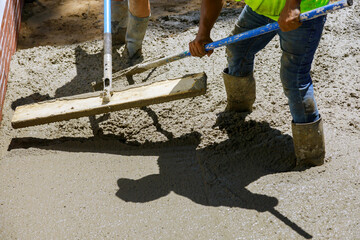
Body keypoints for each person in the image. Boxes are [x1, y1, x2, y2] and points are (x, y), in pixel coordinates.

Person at [189, 0, 328, 166]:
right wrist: (203, 33)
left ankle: (310, 153)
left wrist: (292, 6)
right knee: (237, 49)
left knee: (294, 77)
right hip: (262, 7)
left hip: (305, 9)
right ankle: (237, 110)